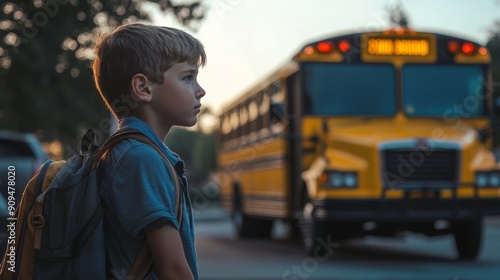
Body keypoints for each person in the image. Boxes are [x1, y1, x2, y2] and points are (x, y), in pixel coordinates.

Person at [92, 23, 206, 280]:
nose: (200, 90)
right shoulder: (142, 159)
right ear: (143, 88)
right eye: (187, 78)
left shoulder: (128, 152)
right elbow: (174, 270)